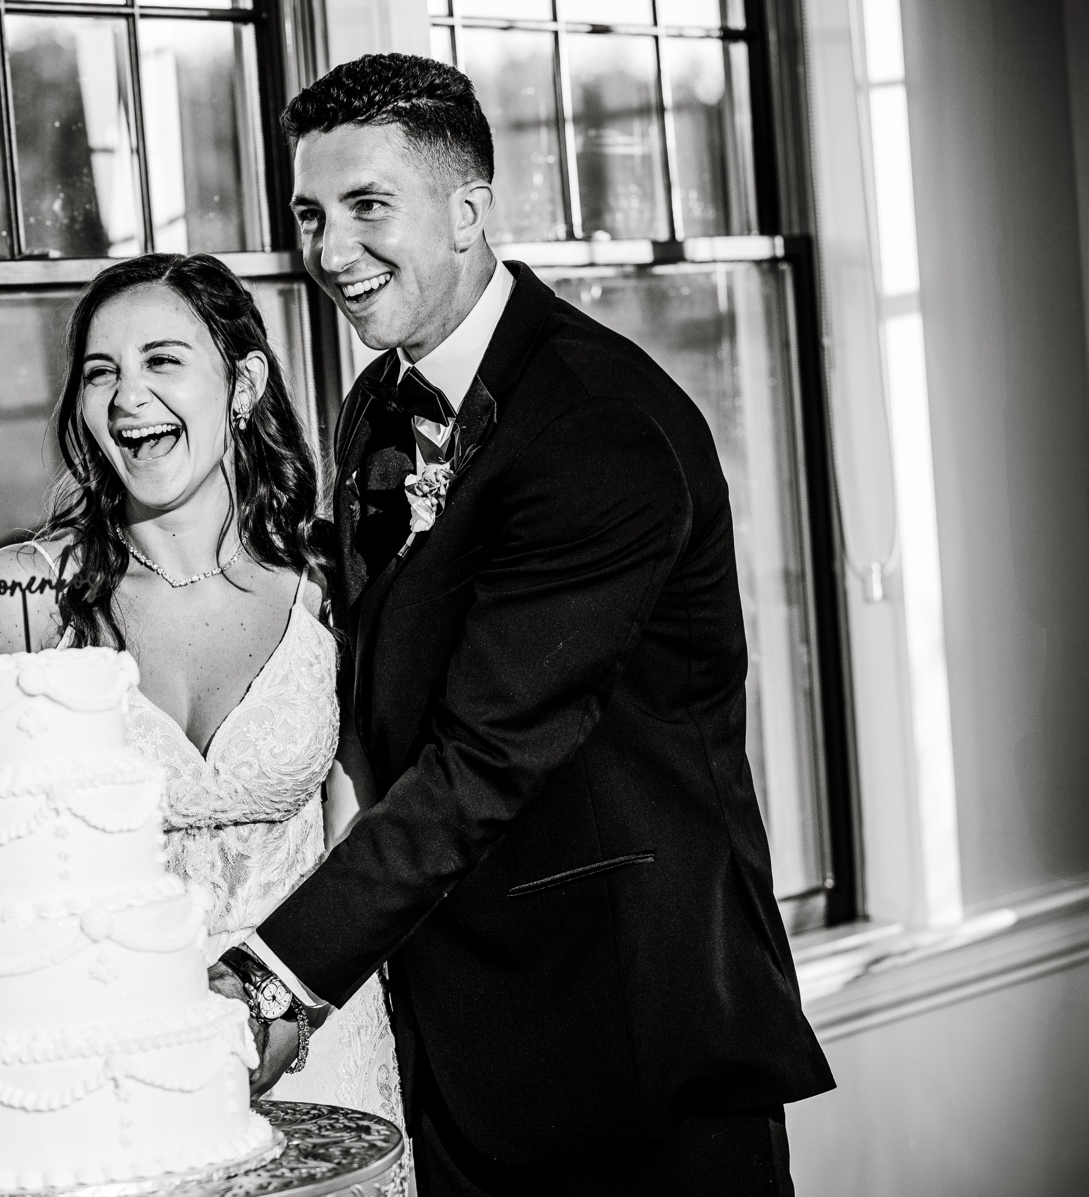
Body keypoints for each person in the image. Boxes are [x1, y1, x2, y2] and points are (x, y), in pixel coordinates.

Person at [228, 53, 837, 1196]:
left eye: (368, 207)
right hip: (459, 1050)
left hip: (628, 1042)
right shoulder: (384, 402)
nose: (330, 252)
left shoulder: (600, 430)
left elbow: (486, 757)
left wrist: (274, 980)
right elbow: (383, 676)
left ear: (468, 209)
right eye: (310, 215)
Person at [0, 253, 405, 1127]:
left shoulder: (332, 580)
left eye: (162, 360)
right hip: (103, 1056)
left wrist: (296, 1005)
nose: (127, 396)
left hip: (317, 1036)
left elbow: (361, 839)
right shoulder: (18, 594)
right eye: (101, 373)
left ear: (243, 384)